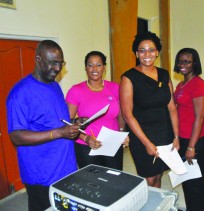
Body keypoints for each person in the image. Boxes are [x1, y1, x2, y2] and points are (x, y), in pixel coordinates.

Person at [6, 40, 83, 211]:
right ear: (38, 59)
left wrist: (72, 124)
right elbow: (16, 136)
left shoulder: (54, 86)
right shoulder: (20, 93)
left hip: (65, 168)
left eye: (60, 63)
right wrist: (58, 133)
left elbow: (53, 121)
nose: (57, 68)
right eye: (53, 63)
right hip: (41, 174)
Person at [120, 31, 179, 187]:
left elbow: (172, 108)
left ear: (157, 52)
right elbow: (127, 115)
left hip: (164, 132)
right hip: (141, 135)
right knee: (149, 178)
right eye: (142, 50)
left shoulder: (164, 75)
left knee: (159, 174)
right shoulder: (128, 78)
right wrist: (146, 143)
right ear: (136, 53)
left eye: (151, 49)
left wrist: (176, 136)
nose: (147, 54)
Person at [66, 50, 127, 170]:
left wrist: (122, 133)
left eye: (98, 65)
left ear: (104, 68)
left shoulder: (115, 88)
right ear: (85, 68)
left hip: (112, 144)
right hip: (87, 146)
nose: (94, 68)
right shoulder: (76, 90)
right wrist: (86, 138)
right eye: (90, 65)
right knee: (92, 183)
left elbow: (120, 115)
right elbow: (69, 123)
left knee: (114, 180)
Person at [173, 48, 204, 210]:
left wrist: (191, 146)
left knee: (195, 181)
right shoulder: (182, 84)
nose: (183, 64)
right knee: (187, 179)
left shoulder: (198, 85)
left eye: (187, 61)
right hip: (183, 137)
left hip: (196, 140)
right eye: (180, 61)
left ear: (195, 64)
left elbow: (199, 118)